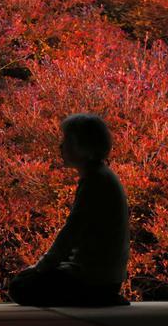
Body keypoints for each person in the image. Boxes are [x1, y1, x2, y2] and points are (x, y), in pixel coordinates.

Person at [8, 113, 130, 307]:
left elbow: (71, 232)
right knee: (27, 281)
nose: (61, 147)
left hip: (93, 280)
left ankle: (96, 298)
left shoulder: (95, 181)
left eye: (67, 141)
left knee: (20, 286)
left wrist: (42, 266)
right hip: (106, 278)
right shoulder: (102, 176)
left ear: (83, 146)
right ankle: (100, 297)